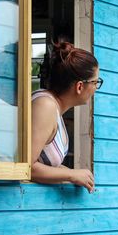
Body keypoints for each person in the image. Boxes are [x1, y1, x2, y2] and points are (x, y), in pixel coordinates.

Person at [31, 42, 103, 193]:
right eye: (95, 82)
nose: (96, 88)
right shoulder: (45, 106)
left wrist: (77, 175)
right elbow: (26, 167)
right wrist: (71, 174)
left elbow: (47, 165)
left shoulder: (55, 108)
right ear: (79, 87)